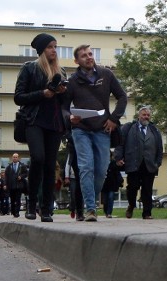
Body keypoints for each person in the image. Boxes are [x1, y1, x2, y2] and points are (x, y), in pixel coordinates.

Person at [62, 44, 127, 222]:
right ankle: (91, 208)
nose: (89, 57)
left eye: (90, 54)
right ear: (76, 61)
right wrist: (69, 117)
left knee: (101, 171)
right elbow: (64, 108)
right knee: (85, 167)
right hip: (80, 130)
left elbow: (122, 97)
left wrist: (114, 118)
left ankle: (87, 198)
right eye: (84, 56)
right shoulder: (73, 81)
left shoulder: (106, 75)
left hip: (103, 129)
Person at [14, 33, 67, 222]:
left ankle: (46, 209)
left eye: (55, 46)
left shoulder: (61, 71)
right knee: (38, 158)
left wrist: (62, 93)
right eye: (50, 47)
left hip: (55, 124)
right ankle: (31, 204)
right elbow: (18, 97)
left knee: (50, 165)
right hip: (33, 121)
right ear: (42, 50)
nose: (54, 50)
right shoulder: (29, 68)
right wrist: (42, 93)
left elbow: (64, 104)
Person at [115, 106, 163, 220]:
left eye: (148, 115)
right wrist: (118, 157)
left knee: (147, 189)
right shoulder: (129, 127)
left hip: (149, 165)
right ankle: (131, 205)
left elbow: (160, 148)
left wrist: (158, 162)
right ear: (139, 116)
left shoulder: (155, 130)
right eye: (144, 115)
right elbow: (120, 144)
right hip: (133, 163)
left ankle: (147, 213)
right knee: (132, 187)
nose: (146, 117)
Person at [63, 138, 84, 221]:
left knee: (80, 193)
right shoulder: (71, 154)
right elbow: (67, 165)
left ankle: (80, 211)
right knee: (73, 194)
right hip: (72, 177)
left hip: (81, 176)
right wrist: (67, 176)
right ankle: (72, 208)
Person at [5, 153, 28, 218]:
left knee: (18, 199)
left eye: (16, 157)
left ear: (18, 158)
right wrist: (5, 184)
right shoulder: (9, 167)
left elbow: (26, 173)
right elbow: (6, 177)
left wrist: (21, 176)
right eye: (14, 157)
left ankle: (17, 212)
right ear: (12, 158)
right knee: (12, 199)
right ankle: (13, 211)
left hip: (19, 185)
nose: (15, 158)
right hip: (11, 186)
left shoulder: (22, 166)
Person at [101, 154, 123, 219]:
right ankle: (106, 211)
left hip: (112, 185)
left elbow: (117, 173)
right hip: (104, 185)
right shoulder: (102, 163)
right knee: (105, 200)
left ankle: (109, 213)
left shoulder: (113, 163)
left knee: (110, 198)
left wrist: (120, 182)